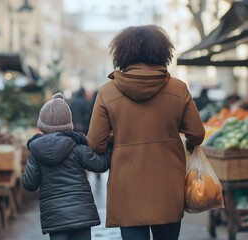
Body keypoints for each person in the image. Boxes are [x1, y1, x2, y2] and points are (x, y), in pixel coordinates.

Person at [87, 25, 205, 240]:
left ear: (122, 53)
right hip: (168, 183)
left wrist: (118, 138)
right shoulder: (178, 89)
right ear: (162, 52)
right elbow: (197, 133)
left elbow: (95, 143)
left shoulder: (107, 91)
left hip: (127, 185)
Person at [23, 93, 112, 240]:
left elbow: (30, 184)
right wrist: (109, 145)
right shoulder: (77, 146)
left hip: (54, 216)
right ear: (67, 122)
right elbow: (100, 165)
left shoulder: (35, 150)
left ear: (42, 124)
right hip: (81, 214)